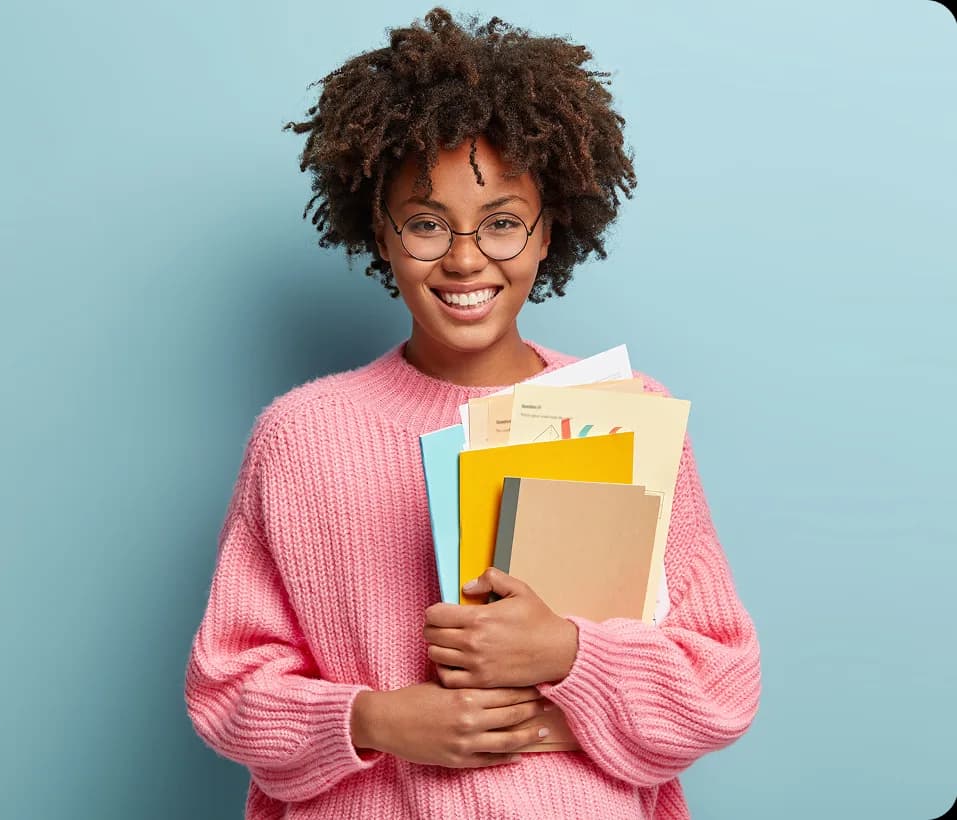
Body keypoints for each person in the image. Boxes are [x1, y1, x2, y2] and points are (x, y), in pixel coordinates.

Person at [184, 9, 760, 819]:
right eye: (425, 224)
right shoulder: (300, 437)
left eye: (500, 224)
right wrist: (375, 720)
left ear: (546, 231)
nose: (463, 258)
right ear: (378, 234)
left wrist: (567, 653)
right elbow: (227, 688)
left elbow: (718, 680)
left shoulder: (628, 417)